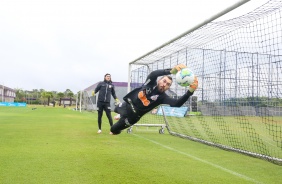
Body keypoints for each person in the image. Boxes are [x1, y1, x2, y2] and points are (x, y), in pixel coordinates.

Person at [111, 64, 198, 135]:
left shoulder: (162, 98)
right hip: (127, 106)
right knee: (116, 112)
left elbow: (176, 104)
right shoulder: (150, 83)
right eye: (164, 81)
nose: (164, 84)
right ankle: (120, 115)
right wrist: (171, 71)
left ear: (168, 88)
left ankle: (120, 123)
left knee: (113, 130)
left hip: (133, 117)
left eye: (168, 84)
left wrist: (190, 92)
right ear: (159, 80)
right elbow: (153, 74)